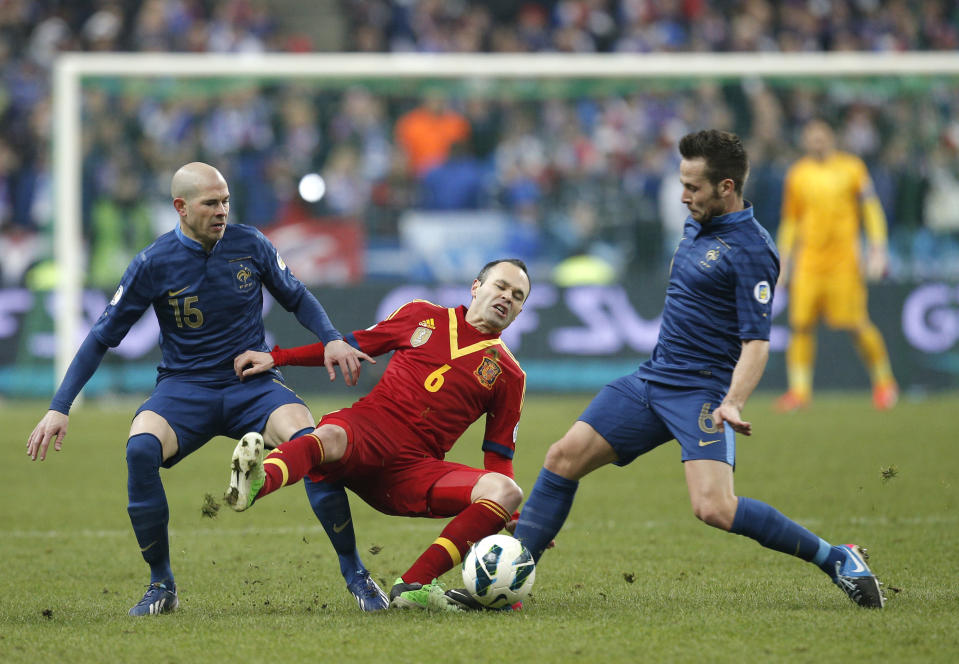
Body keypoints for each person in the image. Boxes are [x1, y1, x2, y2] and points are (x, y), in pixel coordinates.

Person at [512, 130, 885, 609]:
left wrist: (732, 401)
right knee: (563, 457)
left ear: (726, 187)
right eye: (682, 183)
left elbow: (756, 343)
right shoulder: (695, 226)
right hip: (653, 379)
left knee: (714, 507)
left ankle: (836, 557)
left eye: (693, 187)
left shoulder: (752, 249)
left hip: (701, 392)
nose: (683, 196)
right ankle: (513, 572)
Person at [25, 162, 375, 616]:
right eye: (211, 203)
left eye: (226, 201)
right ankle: (161, 585)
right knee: (140, 451)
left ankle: (357, 575)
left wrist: (330, 337)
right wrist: (60, 406)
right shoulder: (153, 263)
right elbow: (101, 336)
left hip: (253, 384)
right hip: (185, 388)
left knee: (313, 444)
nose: (222, 211)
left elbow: (298, 296)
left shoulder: (251, 244)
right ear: (181, 207)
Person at [225, 258, 530, 612]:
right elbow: (351, 344)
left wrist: (508, 514)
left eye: (518, 295)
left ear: (521, 310)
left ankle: (414, 585)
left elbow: (498, 458)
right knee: (329, 437)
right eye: (501, 286)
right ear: (476, 287)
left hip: (413, 471)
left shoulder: (509, 374)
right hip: (367, 432)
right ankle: (258, 481)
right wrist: (277, 357)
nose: (507, 297)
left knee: (507, 490)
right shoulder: (422, 315)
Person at [775, 119, 898, 412]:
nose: (817, 140)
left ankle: (884, 383)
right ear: (805, 140)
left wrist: (878, 248)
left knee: (857, 324)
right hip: (808, 263)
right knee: (800, 325)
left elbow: (871, 208)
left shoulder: (852, 168)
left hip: (844, 262)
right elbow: (791, 220)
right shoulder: (797, 174)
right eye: (811, 135)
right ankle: (799, 391)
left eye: (821, 134)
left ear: (832, 136)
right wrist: (784, 259)